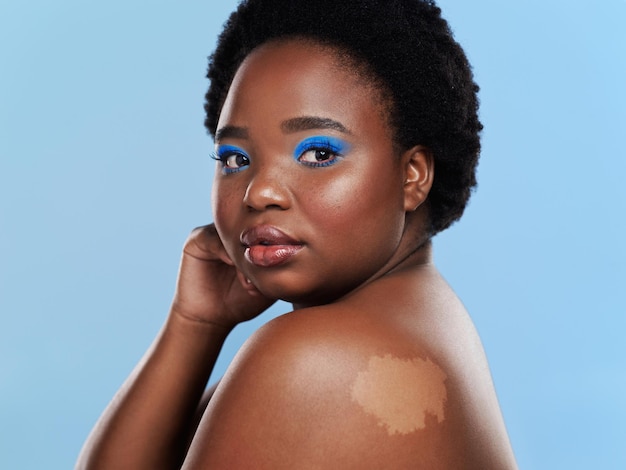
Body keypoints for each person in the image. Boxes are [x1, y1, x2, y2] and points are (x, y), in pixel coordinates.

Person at [77, 0, 517, 468]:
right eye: (234, 159)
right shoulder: (423, 319)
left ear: (412, 176)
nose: (258, 191)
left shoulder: (317, 358)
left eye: (318, 153)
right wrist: (195, 324)